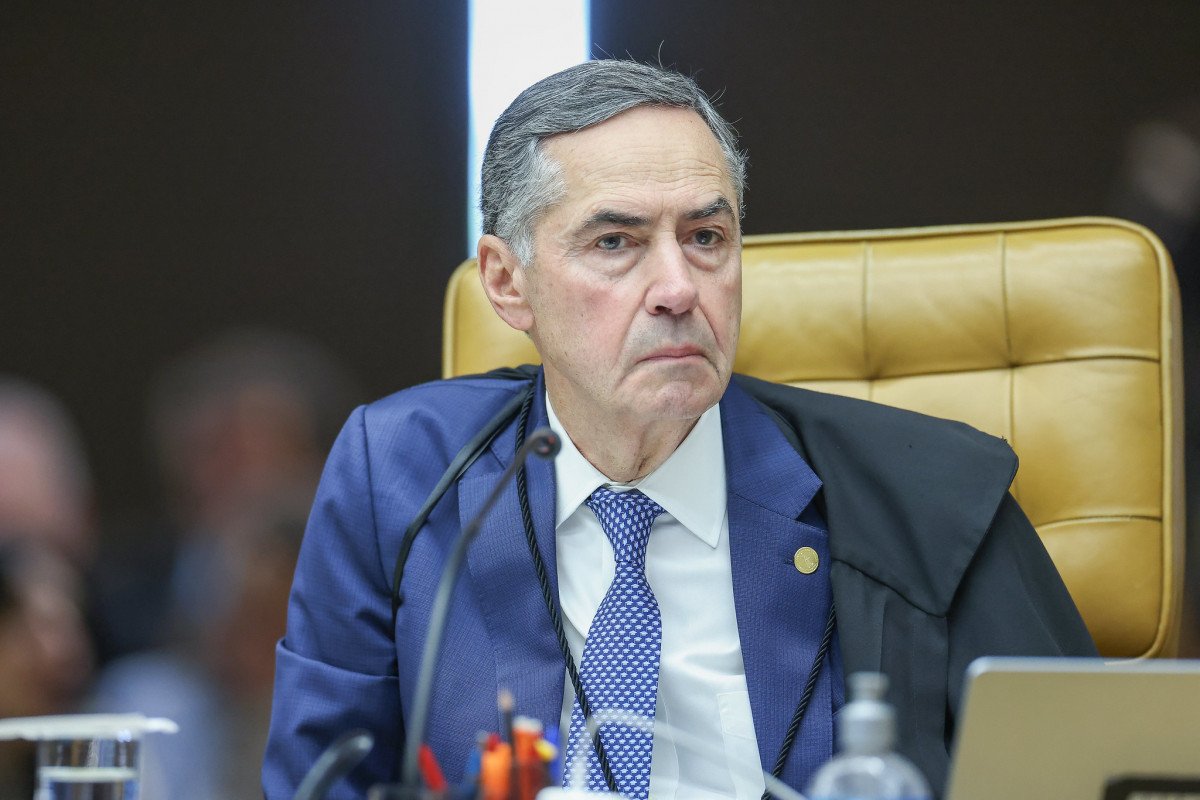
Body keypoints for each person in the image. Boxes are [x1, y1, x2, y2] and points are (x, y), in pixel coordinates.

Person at [263, 60, 1096, 800]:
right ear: (508, 283)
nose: (678, 288)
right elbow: (323, 780)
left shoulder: (929, 500)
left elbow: (1077, 772)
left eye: (705, 238)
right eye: (615, 242)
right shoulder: (400, 474)